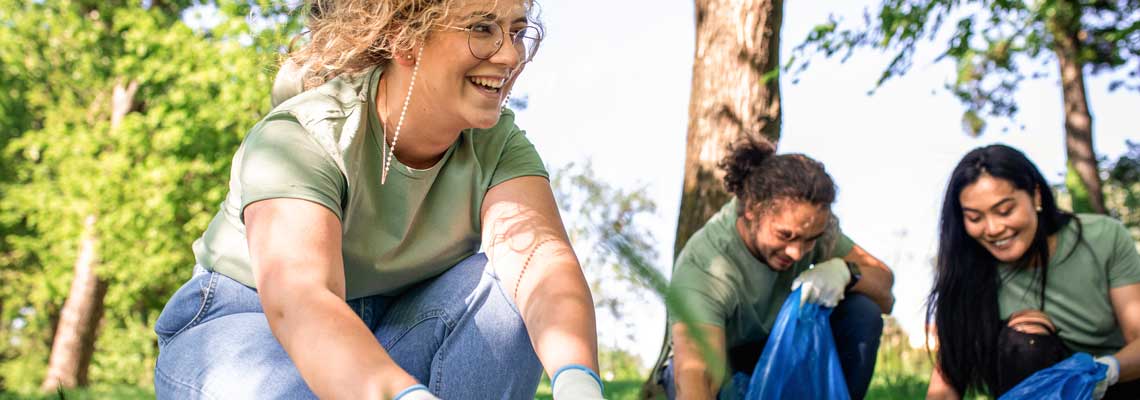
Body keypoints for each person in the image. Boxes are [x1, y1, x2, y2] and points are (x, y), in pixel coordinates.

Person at [152, 0, 605, 398]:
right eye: (482, 27)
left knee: (507, 291)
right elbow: (304, 302)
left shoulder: (498, 145)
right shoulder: (302, 137)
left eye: (517, 30)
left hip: (398, 330)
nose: (509, 54)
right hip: (252, 331)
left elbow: (542, 264)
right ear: (406, 40)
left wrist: (578, 382)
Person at [648, 138, 895, 400]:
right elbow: (698, 377)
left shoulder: (813, 230)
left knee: (861, 312)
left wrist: (846, 271)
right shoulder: (705, 265)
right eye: (784, 235)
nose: (797, 252)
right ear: (753, 209)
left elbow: (885, 290)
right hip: (722, 363)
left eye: (810, 239)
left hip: (782, 352)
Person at [925, 144, 1140, 399]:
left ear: (1036, 196)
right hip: (1027, 387)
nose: (992, 228)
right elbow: (945, 383)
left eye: (1005, 210)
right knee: (1027, 336)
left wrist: (1100, 373)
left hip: (1115, 384)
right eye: (974, 218)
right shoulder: (968, 270)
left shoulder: (1103, 237)